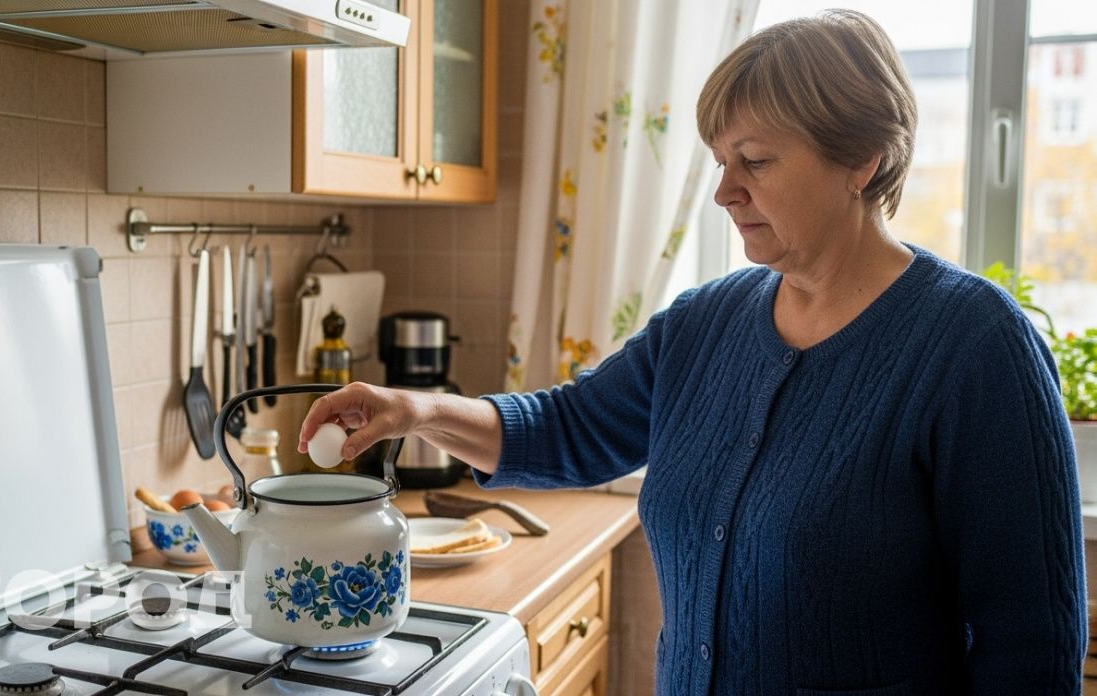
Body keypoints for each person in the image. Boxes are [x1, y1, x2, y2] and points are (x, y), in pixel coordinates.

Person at [299, 10, 1086, 695]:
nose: (724, 192)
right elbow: (570, 429)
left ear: (862, 159)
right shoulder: (705, 324)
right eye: (720, 162)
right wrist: (415, 409)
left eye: (758, 160)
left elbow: (1032, 645)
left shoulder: (975, 346)